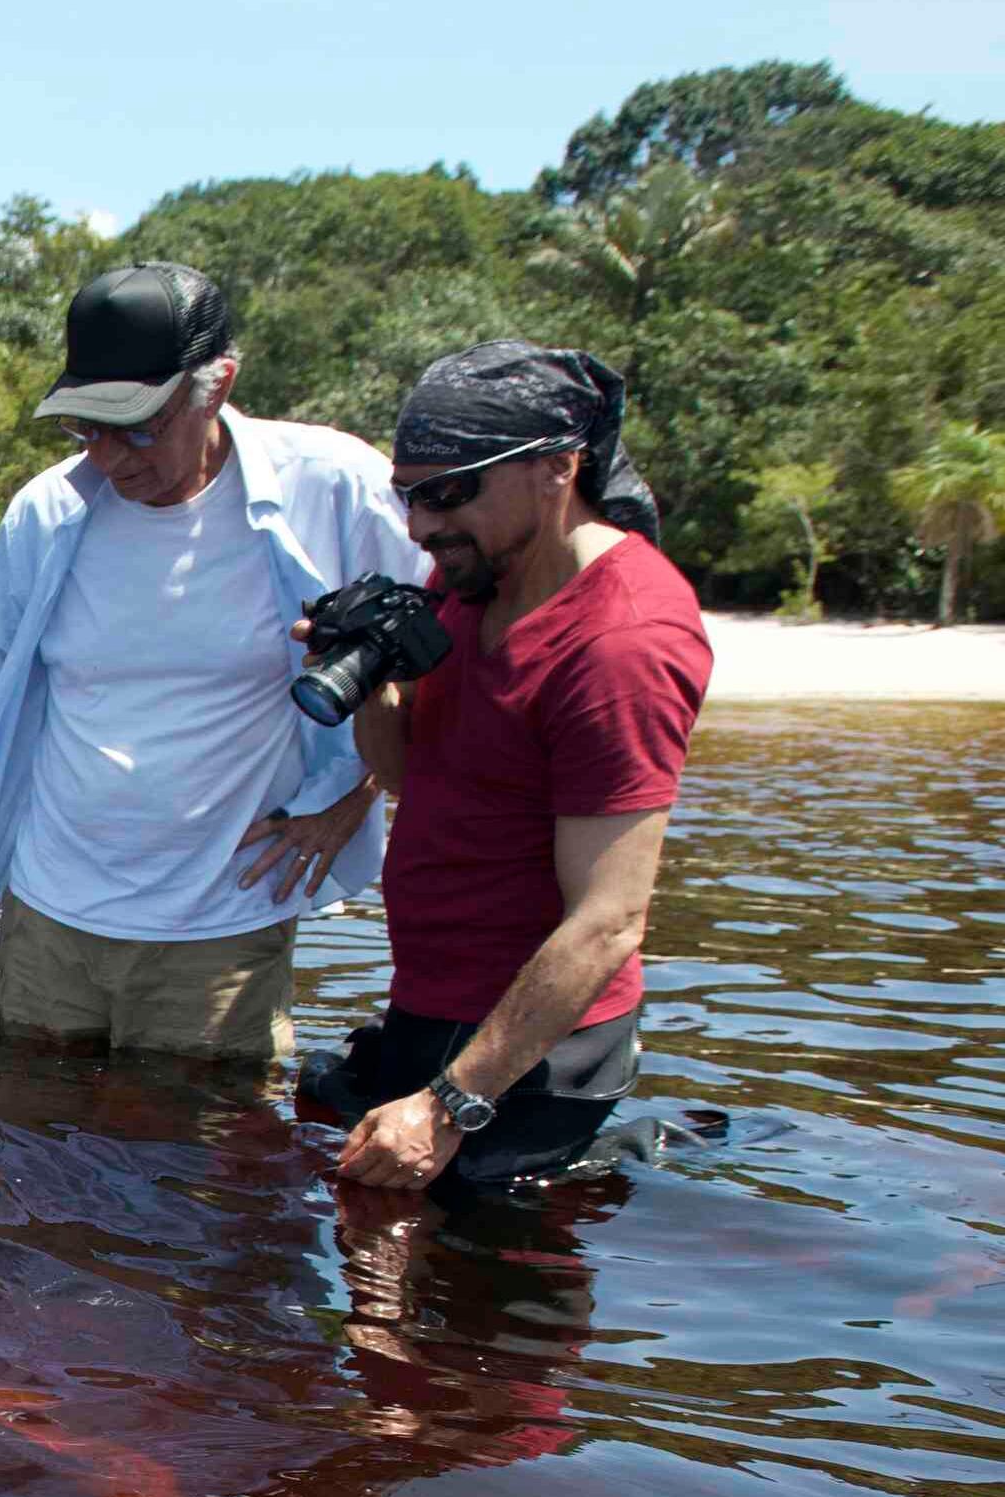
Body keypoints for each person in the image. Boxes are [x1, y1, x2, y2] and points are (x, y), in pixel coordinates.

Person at [0, 261, 423, 1066]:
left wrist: (352, 798)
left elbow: (424, 658)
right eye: (86, 428)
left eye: (137, 426)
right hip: (49, 915)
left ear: (218, 384)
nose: (110, 456)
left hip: (219, 927)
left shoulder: (336, 490)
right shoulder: (46, 511)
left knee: (201, 1171)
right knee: (23, 1156)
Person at [292, 340, 711, 1193]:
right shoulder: (473, 576)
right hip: (434, 998)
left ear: (557, 469)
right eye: (408, 494)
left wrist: (448, 1106)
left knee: (482, 1287)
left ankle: (639, 1152)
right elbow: (415, 780)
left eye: (448, 493)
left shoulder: (623, 642)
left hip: (541, 1043)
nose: (419, 526)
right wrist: (373, 672)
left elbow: (609, 921)